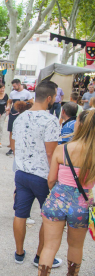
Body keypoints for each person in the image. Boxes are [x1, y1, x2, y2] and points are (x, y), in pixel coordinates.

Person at [11, 81, 62, 268]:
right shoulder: (50, 120)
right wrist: (54, 177)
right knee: (47, 217)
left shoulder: (20, 117)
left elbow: (14, 145)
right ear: (49, 98)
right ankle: (40, 256)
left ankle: (19, 252)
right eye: (55, 96)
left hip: (22, 173)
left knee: (20, 214)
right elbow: (51, 153)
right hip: (42, 176)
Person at [38, 110, 95, 276]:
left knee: (49, 246)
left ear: (80, 125)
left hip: (57, 200)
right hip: (82, 205)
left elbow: (51, 179)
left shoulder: (63, 149)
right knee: (76, 246)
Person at [6, 79, 34, 156]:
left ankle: (22, 147)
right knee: (11, 131)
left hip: (23, 114)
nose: (14, 88)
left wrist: (23, 103)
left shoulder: (27, 93)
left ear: (19, 84)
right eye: (13, 86)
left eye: (15, 86)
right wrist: (8, 107)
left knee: (23, 130)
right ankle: (12, 148)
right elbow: (9, 102)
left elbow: (32, 102)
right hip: (13, 113)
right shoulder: (12, 93)